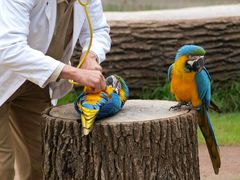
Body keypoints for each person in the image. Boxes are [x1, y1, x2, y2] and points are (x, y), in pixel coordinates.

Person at [0, 0, 111, 179]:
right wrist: (75, 73)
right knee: (3, 167)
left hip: (37, 82)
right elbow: (9, 49)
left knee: (41, 162)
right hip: (3, 74)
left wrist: (90, 57)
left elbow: (98, 30)